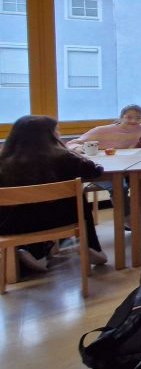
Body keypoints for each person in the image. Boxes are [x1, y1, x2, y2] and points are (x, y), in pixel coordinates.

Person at [0, 115, 109, 273]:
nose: (59, 133)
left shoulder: (3, 162)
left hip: (10, 225)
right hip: (58, 221)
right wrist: (76, 154)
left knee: (29, 208)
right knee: (77, 197)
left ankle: (35, 252)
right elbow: (94, 171)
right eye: (56, 130)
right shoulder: (64, 158)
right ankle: (91, 246)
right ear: (48, 135)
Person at [67, 104, 141, 150]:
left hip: (131, 161)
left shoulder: (140, 128)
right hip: (105, 162)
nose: (133, 121)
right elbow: (71, 144)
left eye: (138, 118)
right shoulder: (101, 130)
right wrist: (77, 148)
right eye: (129, 117)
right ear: (121, 117)